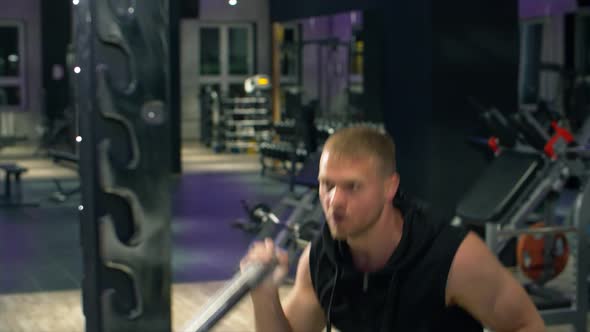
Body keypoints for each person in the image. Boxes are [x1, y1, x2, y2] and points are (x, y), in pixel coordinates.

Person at [241, 126, 545, 332]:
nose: (334, 201)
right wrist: (264, 295)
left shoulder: (453, 259)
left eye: (353, 187)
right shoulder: (321, 259)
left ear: (390, 188)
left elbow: (526, 325)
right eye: (327, 185)